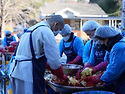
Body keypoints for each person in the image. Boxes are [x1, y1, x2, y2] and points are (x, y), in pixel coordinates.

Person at [9, 15, 69, 94]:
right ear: (56, 24)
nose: (58, 32)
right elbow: (55, 62)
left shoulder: (31, 29)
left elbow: (31, 54)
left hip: (17, 71)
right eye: (59, 29)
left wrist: (47, 66)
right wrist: (62, 76)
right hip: (30, 73)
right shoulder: (46, 31)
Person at [84, 26, 125, 94]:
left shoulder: (119, 47)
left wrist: (97, 78)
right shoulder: (112, 46)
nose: (101, 44)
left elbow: (113, 71)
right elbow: (107, 61)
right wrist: (94, 70)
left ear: (106, 39)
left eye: (100, 41)